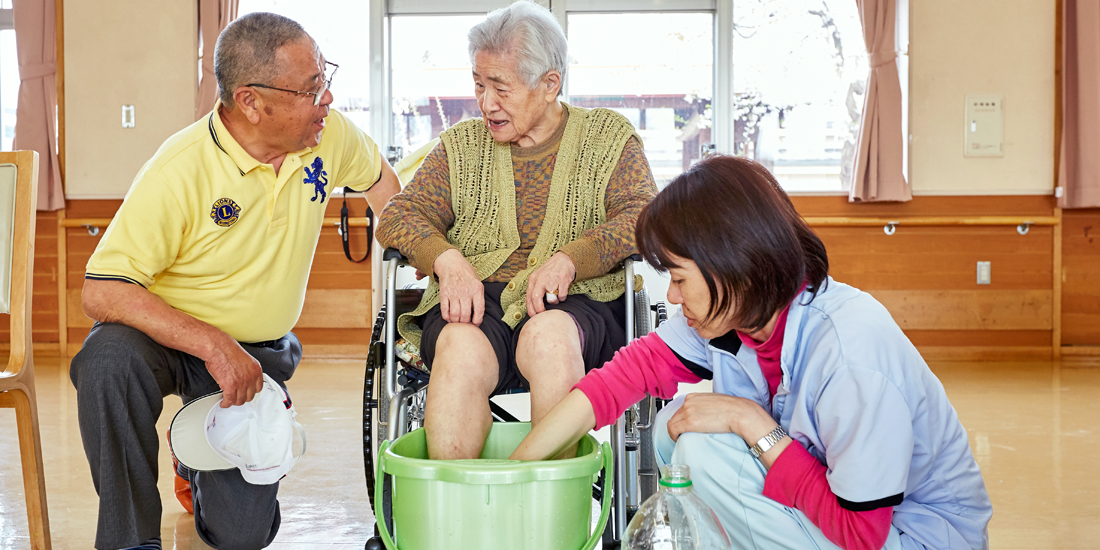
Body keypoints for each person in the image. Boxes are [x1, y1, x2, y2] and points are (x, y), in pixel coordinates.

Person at [511, 155, 993, 550]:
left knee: (701, 450)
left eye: (679, 279)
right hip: (848, 519)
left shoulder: (850, 354)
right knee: (672, 426)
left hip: (910, 536)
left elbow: (861, 532)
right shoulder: (737, 314)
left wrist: (751, 421)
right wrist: (514, 471)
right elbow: (620, 379)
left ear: (734, 266)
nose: (674, 298)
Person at [69, 12, 400, 550]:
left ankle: (193, 461)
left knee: (242, 536)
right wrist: (211, 344)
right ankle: (130, 540)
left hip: (256, 349)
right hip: (166, 340)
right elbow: (101, 291)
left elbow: (384, 185)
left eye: (326, 81)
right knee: (107, 360)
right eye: (312, 89)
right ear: (250, 101)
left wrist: (427, 256)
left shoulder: (328, 137)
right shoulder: (179, 169)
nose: (328, 101)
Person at [375, 0, 657, 461]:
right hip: (474, 298)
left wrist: (571, 258)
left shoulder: (608, 138)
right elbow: (399, 216)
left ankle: (548, 519)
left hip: (579, 302)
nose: (486, 103)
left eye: (500, 88)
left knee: (549, 341)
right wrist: (448, 261)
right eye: (478, 84)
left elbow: (643, 215)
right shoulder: (461, 146)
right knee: (460, 350)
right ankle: (456, 518)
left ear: (550, 84)